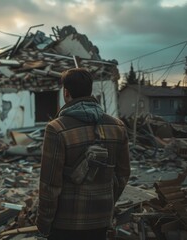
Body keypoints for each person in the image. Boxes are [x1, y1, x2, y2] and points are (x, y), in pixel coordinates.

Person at [36, 68, 130, 240]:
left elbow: (50, 185)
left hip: (66, 224)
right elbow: (123, 174)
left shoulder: (56, 128)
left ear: (66, 92)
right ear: (90, 90)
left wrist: (43, 223)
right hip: (101, 221)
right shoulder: (117, 127)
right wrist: (107, 201)